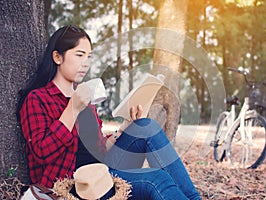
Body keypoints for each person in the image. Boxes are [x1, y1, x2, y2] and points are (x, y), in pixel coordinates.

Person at [17, 25, 201, 200]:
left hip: (103, 171)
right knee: (156, 179)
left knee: (146, 126)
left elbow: (99, 151)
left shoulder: (87, 100)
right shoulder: (38, 98)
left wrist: (124, 129)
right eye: (79, 55)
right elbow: (41, 152)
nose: (86, 63)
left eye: (89, 57)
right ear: (58, 57)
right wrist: (72, 109)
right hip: (76, 185)